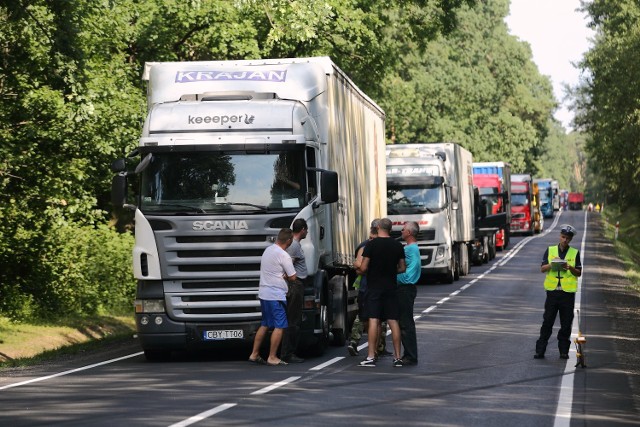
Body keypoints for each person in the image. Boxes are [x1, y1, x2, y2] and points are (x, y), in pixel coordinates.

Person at [355, 218, 406, 367]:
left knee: (373, 319)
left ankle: (371, 356)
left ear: (377, 227)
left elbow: (363, 268)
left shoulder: (371, 245)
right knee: (393, 321)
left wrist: (368, 271)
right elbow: (402, 268)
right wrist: (390, 271)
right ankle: (397, 357)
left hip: (374, 287)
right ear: (390, 229)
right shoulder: (397, 245)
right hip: (391, 287)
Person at [249, 228, 297, 366]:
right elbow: (293, 276)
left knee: (265, 324)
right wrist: (286, 276)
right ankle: (272, 356)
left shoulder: (268, 250)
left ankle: (254, 354)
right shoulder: (283, 255)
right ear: (288, 241)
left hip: (264, 293)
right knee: (280, 326)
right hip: (276, 295)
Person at [534, 224, 582, 360]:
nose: (564, 240)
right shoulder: (550, 250)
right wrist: (552, 264)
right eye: (563, 237)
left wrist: (570, 267)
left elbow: (578, 272)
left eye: (567, 238)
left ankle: (563, 351)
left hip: (567, 294)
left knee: (566, 324)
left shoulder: (575, 253)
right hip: (553, 293)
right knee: (547, 322)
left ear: (570, 239)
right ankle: (540, 351)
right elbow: (542, 269)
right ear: (559, 236)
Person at [347, 219, 380, 356]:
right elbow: (359, 266)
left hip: (367, 286)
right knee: (372, 319)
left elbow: (359, 266)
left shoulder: (365, 245)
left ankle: (358, 342)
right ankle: (377, 348)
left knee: (365, 317)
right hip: (367, 287)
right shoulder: (366, 246)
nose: (371, 239)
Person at [280, 219, 308, 363]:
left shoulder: (295, 245)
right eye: (306, 230)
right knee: (293, 320)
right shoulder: (295, 246)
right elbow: (287, 265)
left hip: (295, 284)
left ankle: (287, 352)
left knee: (293, 319)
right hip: (295, 284)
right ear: (302, 229)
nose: (307, 233)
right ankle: (288, 353)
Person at [397, 221, 421, 365]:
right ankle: (407, 354)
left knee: (406, 323)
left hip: (405, 288)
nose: (401, 231)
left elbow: (409, 276)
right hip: (406, 288)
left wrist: (392, 278)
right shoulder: (411, 248)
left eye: (403, 229)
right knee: (403, 322)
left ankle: (411, 356)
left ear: (409, 233)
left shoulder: (410, 250)